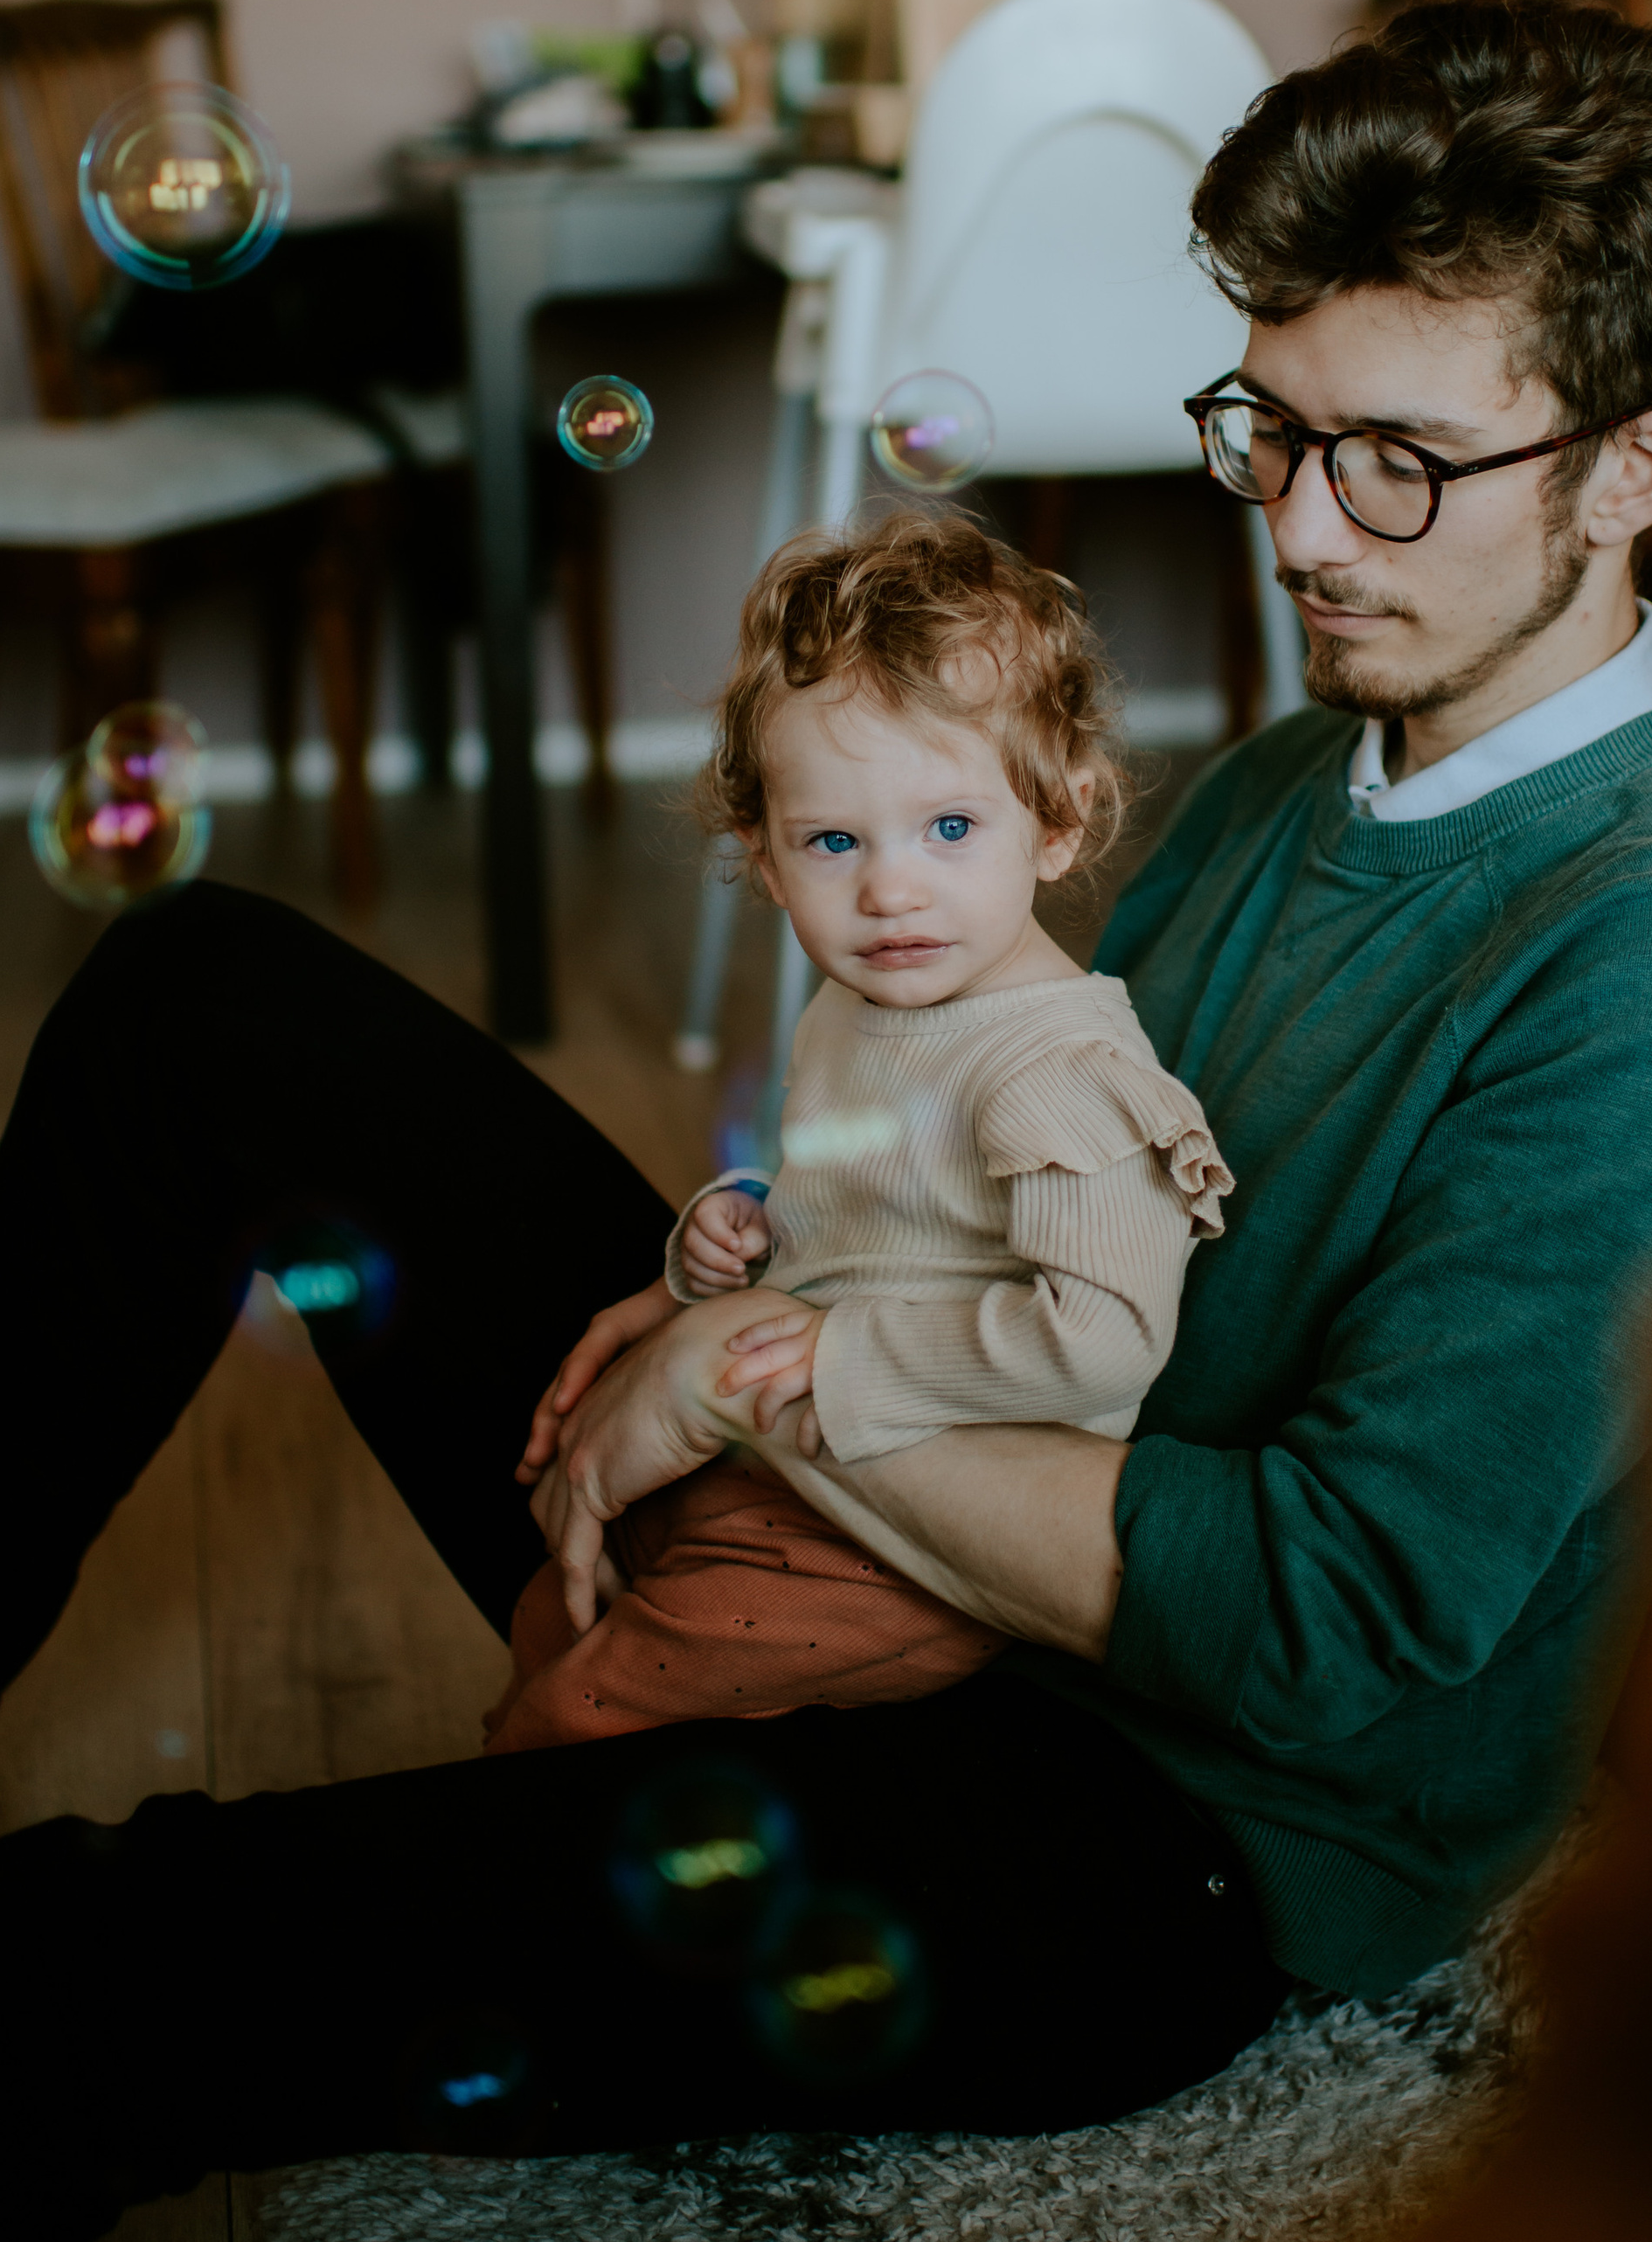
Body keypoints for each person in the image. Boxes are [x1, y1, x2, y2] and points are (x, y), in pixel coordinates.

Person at [0, 0, 1652, 2242]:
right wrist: (736, 1276)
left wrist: (766, 1374)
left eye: (1403, 460)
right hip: (893, 1508)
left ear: (1636, 465)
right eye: (1275, 427)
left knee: (94, 1963)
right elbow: (978, 1134)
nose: (1305, 525)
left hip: (1149, 1821)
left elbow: (1332, 1628)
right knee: (203, 998)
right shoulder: (1286, 777)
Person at [487, 508, 1230, 1748]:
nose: (890, 889)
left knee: (587, 1712)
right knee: (563, 1573)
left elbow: (1101, 1343)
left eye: (950, 829)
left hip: (907, 1548)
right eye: (832, 842)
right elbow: (865, 1202)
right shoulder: (865, 1001)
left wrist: (827, 1360)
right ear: (765, 861)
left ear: (1058, 822)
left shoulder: (1063, 1077)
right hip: (792, 1457)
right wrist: (735, 1227)